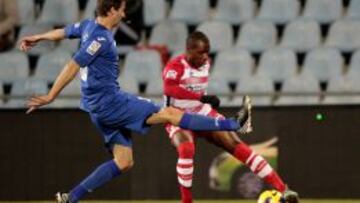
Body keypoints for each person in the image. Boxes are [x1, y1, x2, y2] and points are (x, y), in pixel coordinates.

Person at [19, 0, 251, 202]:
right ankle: (232, 124)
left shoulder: (88, 26)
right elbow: (73, 65)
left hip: (95, 107)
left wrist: (39, 36)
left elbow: (64, 31)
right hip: (110, 103)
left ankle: (71, 198)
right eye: (121, 9)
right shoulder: (100, 38)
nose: (124, 14)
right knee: (169, 113)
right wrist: (51, 96)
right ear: (111, 10)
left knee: (124, 161)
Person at [162, 31, 299, 203]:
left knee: (237, 145)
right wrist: (202, 98)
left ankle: (284, 190)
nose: (205, 57)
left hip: (201, 112)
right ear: (188, 51)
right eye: (200, 53)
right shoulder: (175, 66)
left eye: (207, 52)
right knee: (186, 149)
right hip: (176, 115)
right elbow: (170, 90)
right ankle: (187, 201)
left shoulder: (206, 63)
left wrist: (202, 102)